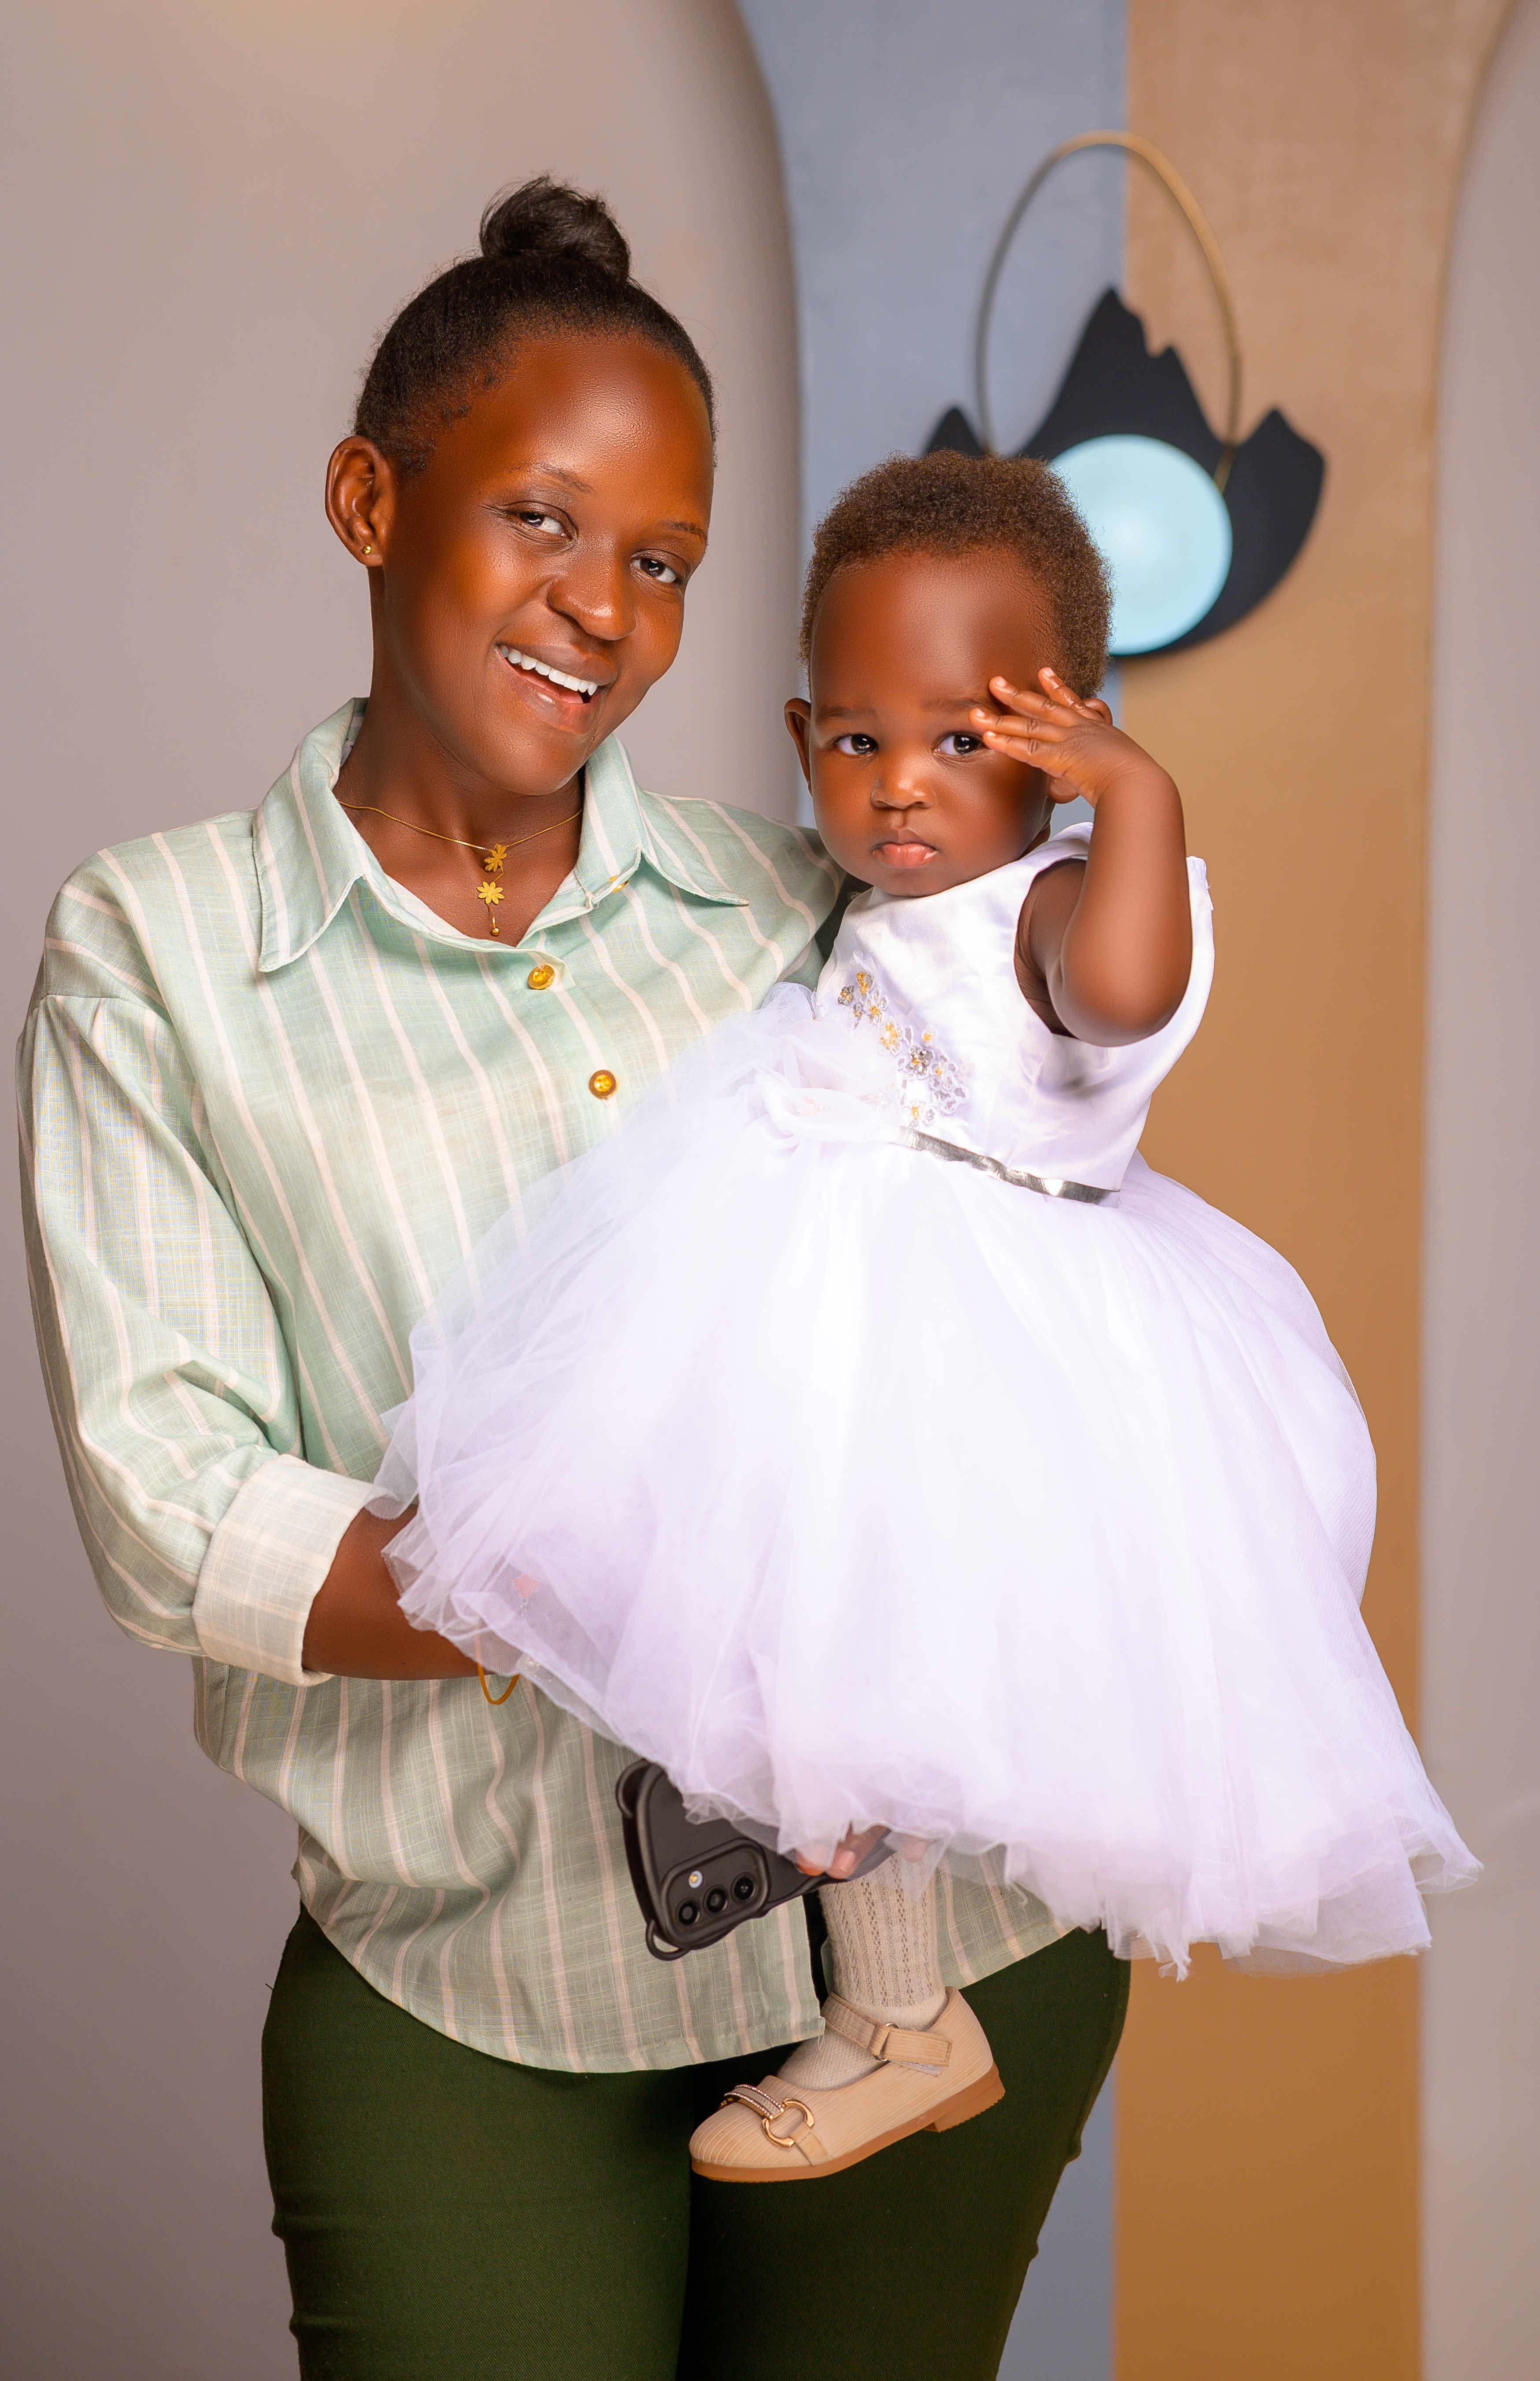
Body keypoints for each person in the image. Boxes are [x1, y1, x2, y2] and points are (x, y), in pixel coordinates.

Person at [18, 183, 1130, 2381]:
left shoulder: (802, 908)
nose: (603, 609)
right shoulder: (158, 954)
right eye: (544, 518)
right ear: (371, 498)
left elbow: (1037, 1243)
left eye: (667, 562)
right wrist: (600, 1574)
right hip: (475, 1972)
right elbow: (169, 1503)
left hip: (946, 1952)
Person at [376, 447, 1478, 2183]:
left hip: (966, 1325)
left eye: (966, 740)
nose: (901, 786)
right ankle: (890, 2003)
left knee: (867, 1658)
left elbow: (1124, 992)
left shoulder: (1061, 897)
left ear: (1062, 739)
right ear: (802, 735)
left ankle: (900, 2021)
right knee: (773, 1626)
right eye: (856, 741)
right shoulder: (894, 895)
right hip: (810, 1267)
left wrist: (1138, 796)